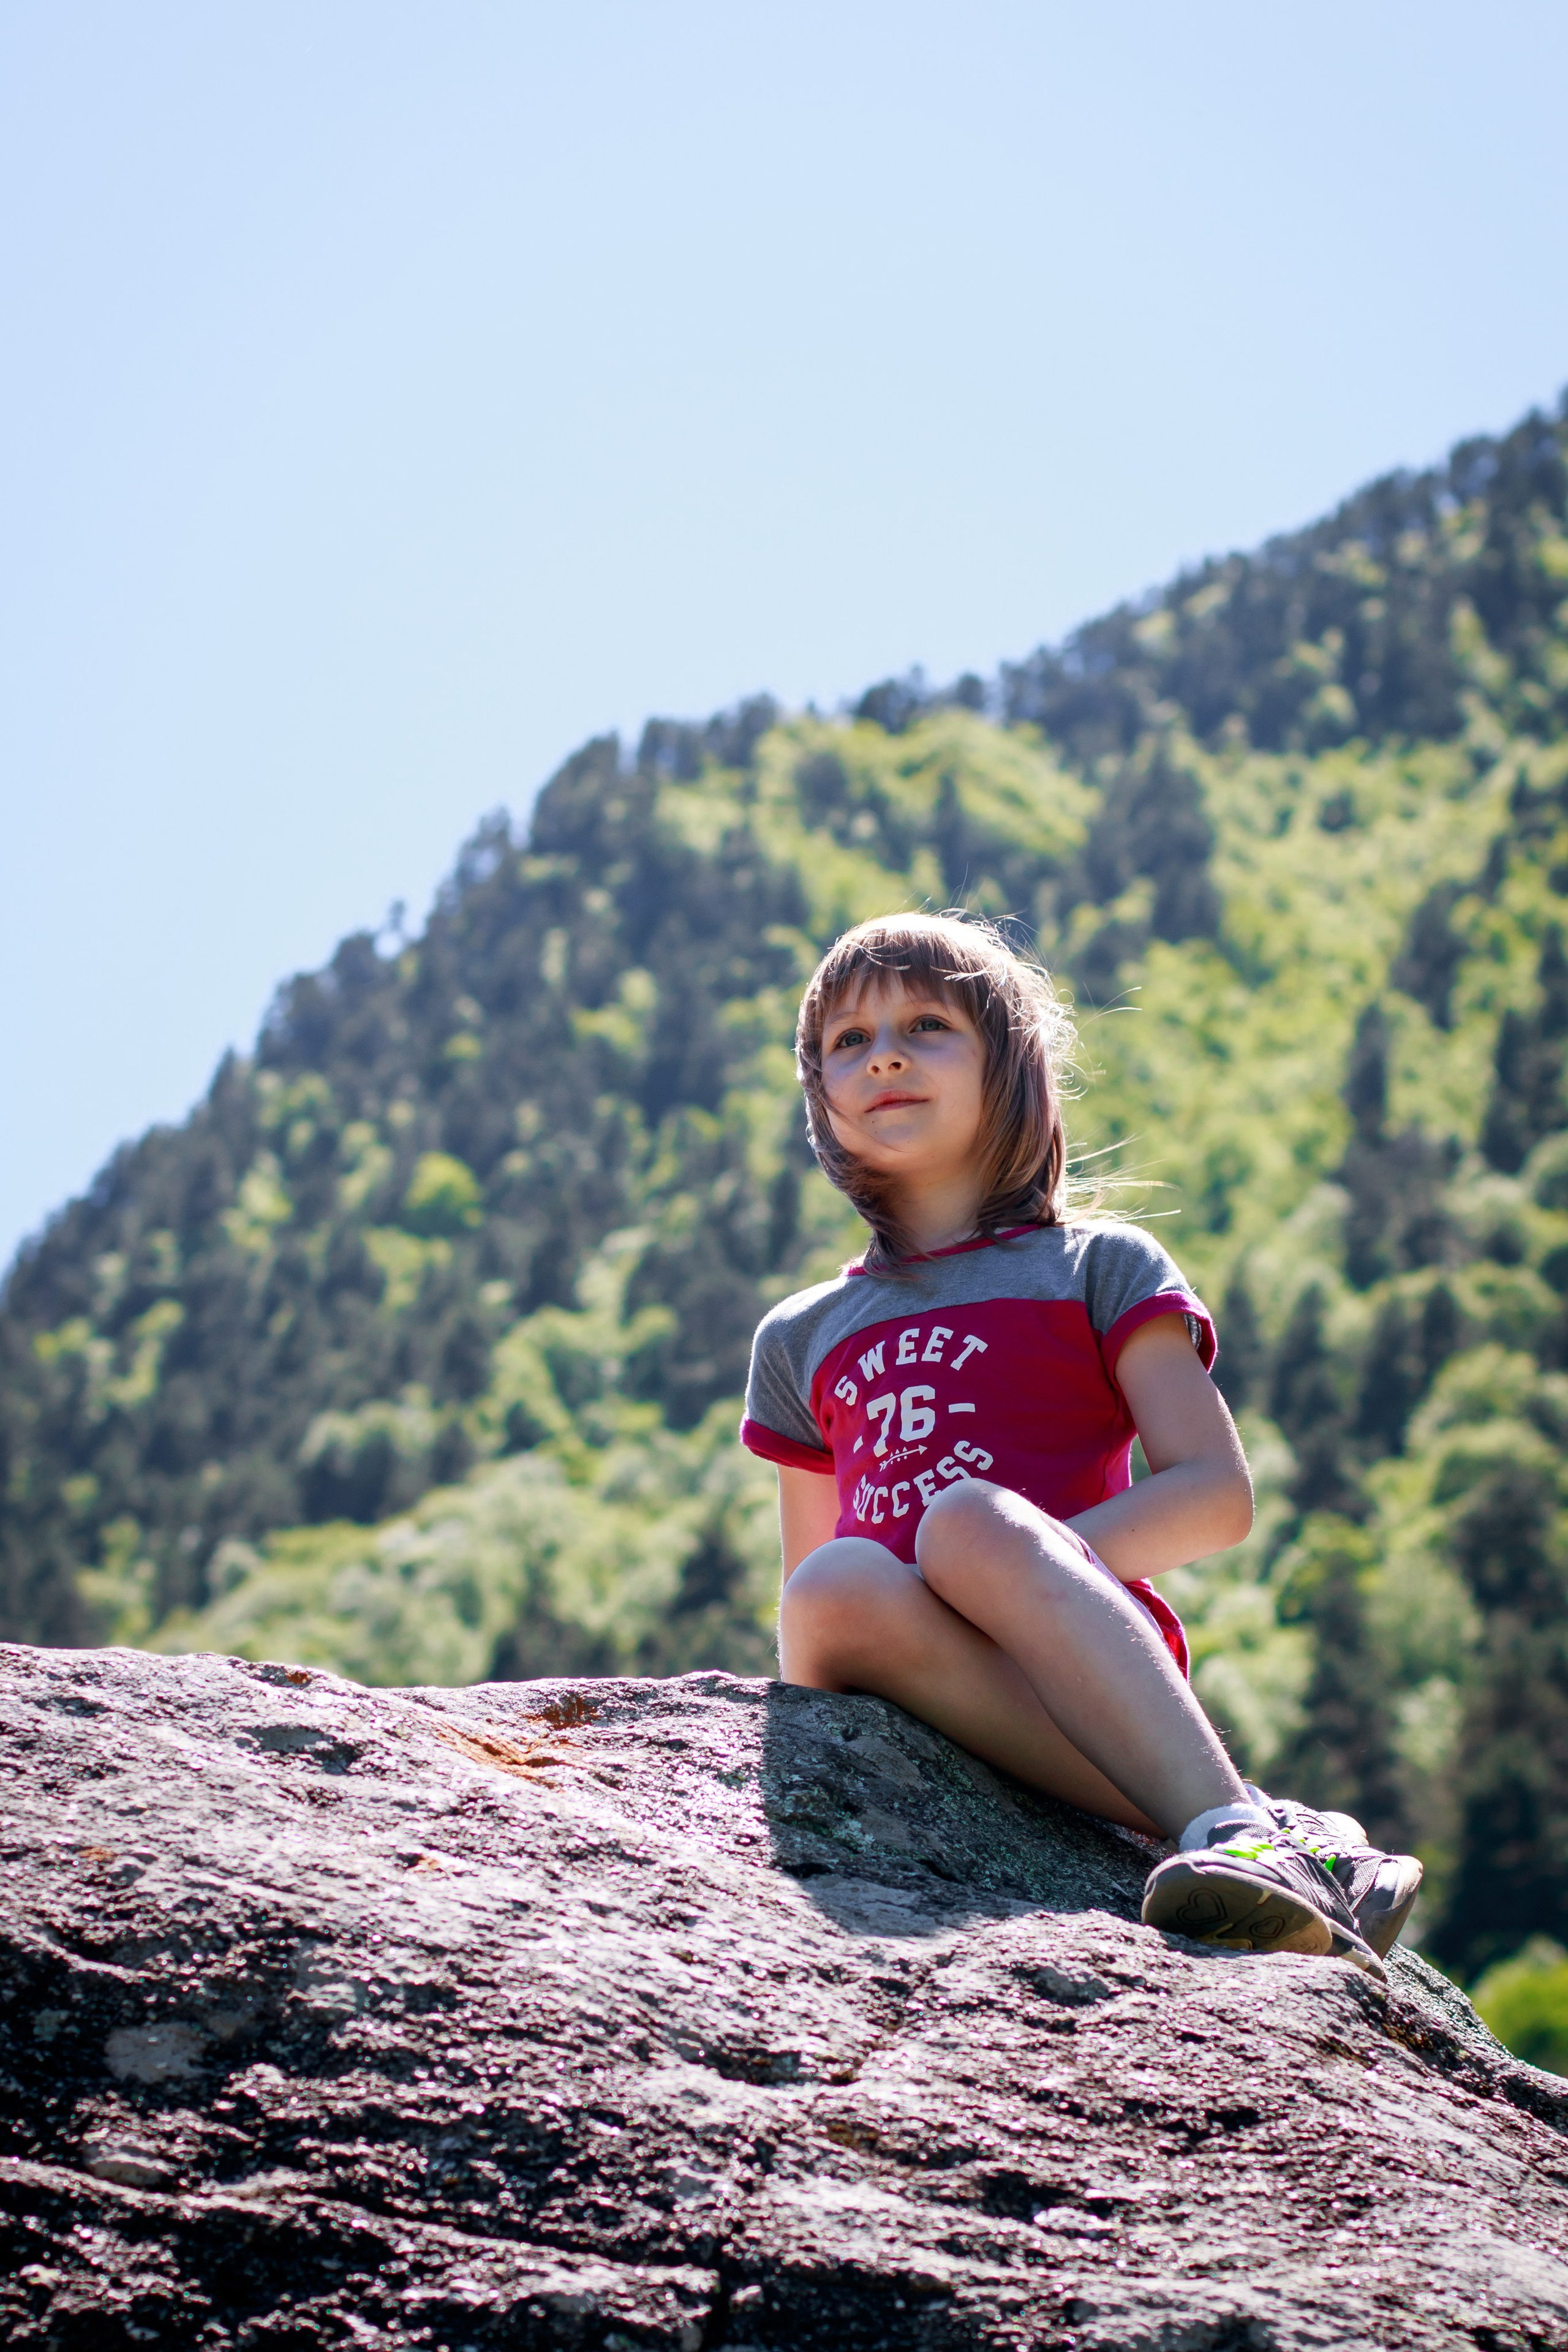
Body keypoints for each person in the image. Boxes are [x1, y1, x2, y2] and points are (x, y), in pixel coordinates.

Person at [741, 911, 1422, 1976]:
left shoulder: (1099, 1265)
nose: (883, 1054)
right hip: (913, 1674)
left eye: (927, 1024)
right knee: (833, 1584)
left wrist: (1011, 1560)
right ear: (822, 1098)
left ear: (1009, 1064)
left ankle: (1236, 1838)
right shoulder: (799, 1335)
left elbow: (1213, 1495)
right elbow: (805, 1610)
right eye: (846, 1040)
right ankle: (1264, 1825)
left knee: (966, 1524)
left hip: (1084, 1661)